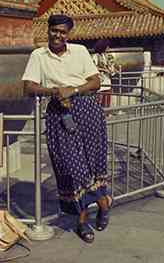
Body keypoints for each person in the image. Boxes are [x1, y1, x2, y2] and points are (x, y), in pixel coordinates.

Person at [22, 13, 112, 243]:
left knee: (94, 163)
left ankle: (93, 213)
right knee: (71, 169)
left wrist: (72, 90)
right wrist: (54, 91)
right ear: (48, 30)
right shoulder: (38, 55)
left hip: (87, 109)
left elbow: (95, 81)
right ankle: (98, 206)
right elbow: (29, 87)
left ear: (68, 34)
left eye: (63, 32)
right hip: (59, 113)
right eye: (54, 30)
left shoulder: (80, 51)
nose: (58, 35)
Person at [92, 39, 117, 108]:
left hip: (107, 81)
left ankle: (107, 114)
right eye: (107, 46)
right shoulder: (96, 56)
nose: (108, 48)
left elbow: (109, 65)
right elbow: (94, 67)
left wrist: (113, 70)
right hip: (101, 82)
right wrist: (104, 70)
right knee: (100, 102)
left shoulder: (105, 56)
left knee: (107, 101)